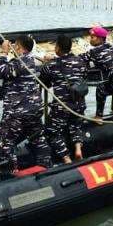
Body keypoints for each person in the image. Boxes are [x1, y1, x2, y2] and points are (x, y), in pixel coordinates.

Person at [0, 35, 52, 173]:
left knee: (6, 142)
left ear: (19, 47)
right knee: (37, 138)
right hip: (33, 110)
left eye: (15, 45)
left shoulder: (19, 63)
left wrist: (4, 52)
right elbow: (5, 67)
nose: (13, 47)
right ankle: (46, 165)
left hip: (18, 112)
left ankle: (11, 172)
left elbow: (1, 71)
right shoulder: (31, 60)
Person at [40, 35, 88, 164]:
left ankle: (66, 158)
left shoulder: (52, 65)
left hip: (62, 106)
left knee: (52, 132)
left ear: (58, 48)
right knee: (76, 126)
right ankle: (78, 149)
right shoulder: (81, 61)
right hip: (79, 103)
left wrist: (46, 62)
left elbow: (43, 80)